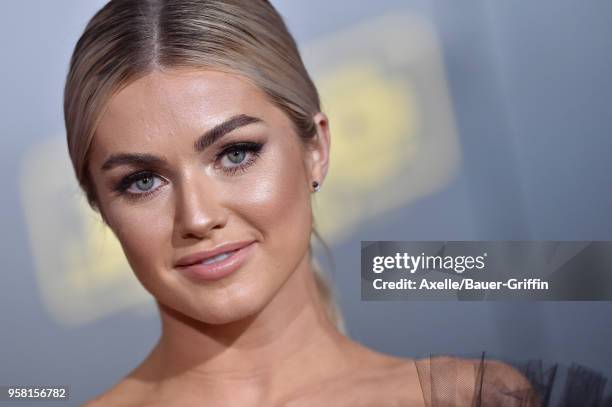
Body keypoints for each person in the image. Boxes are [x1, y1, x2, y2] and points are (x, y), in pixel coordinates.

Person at [64, 1, 539, 405]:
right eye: (143, 181)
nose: (198, 217)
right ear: (100, 205)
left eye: (235, 154)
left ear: (316, 150)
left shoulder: (466, 398)